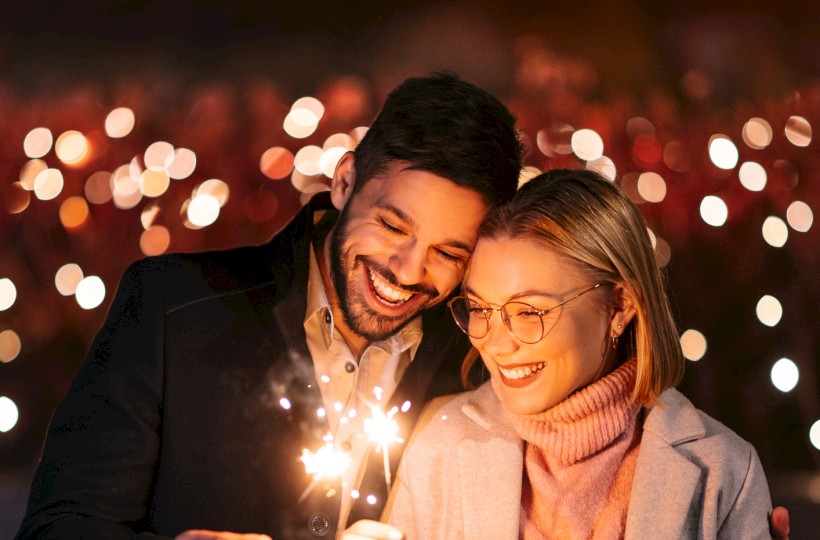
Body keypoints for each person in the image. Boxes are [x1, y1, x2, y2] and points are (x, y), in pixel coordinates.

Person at [15, 74, 524, 540]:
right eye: (393, 227)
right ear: (345, 182)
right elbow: (58, 528)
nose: (409, 270)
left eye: (449, 252)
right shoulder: (172, 311)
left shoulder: (476, 361)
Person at [376, 169, 780, 539]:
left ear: (620, 305)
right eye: (480, 309)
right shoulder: (437, 444)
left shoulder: (723, 470)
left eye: (529, 311)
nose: (495, 343)